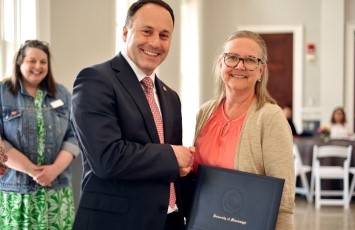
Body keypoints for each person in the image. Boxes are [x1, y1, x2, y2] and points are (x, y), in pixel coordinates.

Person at [70, 1, 193, 230]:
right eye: (147, 31)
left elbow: (170, 165)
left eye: (164, 35)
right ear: (126, 32)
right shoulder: (95, 80)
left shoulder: (171, 96)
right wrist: (173, 156)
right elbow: (107, 158)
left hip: (170, 221)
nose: (155, 42)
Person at [190, 30, 295, 229]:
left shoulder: (271, 117)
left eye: (249, 60)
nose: (239, 66)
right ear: (221, 63)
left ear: (260, 70)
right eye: (232, 57)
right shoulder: (204, 112)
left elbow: (283, 199)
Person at [0, 40, 80, 229]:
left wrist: (54, 170)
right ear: (20, 62)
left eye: (43, 62)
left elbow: (74, 133)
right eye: (32, 61)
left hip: (57, 188)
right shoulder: (2, 93)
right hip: (17, 191)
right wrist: (31, 170)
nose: (38, 66)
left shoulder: (62, 94)